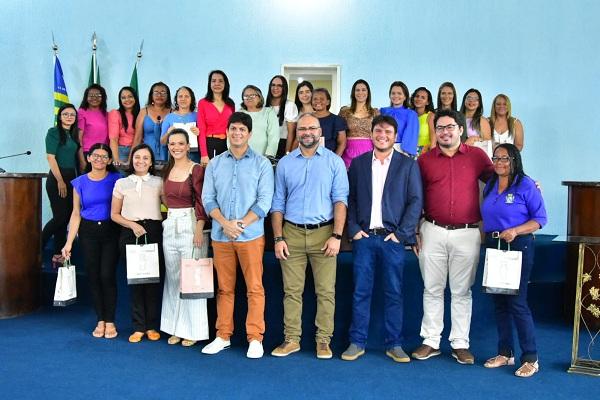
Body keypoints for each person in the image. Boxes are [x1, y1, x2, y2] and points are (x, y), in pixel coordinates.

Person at [412, 109, 493, 365]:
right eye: (439, 128)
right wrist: (414, 230)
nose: (444, 132)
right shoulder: (424, 161)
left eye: (449, 127)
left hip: (467, 233)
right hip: (431, 231)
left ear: (461, 129)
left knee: (461, 291)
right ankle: (431, 341)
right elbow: (414, 197)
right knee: (432, 289)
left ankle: (460, 344)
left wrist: (526, 183)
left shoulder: (477, 157)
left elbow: (501, 180)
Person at [342, 115, 423, 362]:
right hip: (364, 238)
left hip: (392, 240)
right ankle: (356, 342)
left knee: (394, 293)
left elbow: (415, 201)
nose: (383, 135)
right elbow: (350, 199)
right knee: (360, 292)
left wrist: (401, 235)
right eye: (378, 130)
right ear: (371, 134)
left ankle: (394, 344)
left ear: (395, 136)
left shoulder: (407, 165)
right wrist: (353, 228)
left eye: (388, 131)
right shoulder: (358, 163)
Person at [270, 113, 349, 359]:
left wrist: (337, 235)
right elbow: (277, 204)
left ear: (320, 132)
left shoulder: (334, 162)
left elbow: (340, 201)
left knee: (326, 292)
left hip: (325, 234)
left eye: (312, 128)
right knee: (291, 291)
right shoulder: (285, 163)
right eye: (302, 128)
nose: (307, 132)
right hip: (291, 234)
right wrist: (278, 238)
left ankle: (323, 341)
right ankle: (291, 339)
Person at [200, 112, 274, 359]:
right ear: (227, 132)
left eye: (242, 129)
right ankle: (223, 336)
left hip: (250, 236)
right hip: (221, 237)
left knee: (254, 288)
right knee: (224, 289)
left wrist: (239, 225)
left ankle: (255, 338)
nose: (237, 133)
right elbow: (208, 198)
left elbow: (264, 202)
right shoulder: (216, 163)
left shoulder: (262, 164)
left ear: (250, 134)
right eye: (233, 129)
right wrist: (224, 223)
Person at [481, 143, 546, 377]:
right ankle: (505, 353)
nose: (499, 163)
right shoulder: (490, 184)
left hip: (517, 245)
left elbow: (540, 219)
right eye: (496, 158)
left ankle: (530, 357)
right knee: (499, 302)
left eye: (505, 158)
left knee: (517, 302)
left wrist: (516, 231)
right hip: (494, 245)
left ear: (514, 160)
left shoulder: (526, 185)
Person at [61, 143, 121, 339]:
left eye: (104, 156)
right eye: (96, 155)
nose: (99, 159)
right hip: (88, 232)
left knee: (107, 275)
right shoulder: (79, 182)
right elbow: (76, 213)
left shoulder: (117, 179)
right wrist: (69, 243)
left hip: (111, 230)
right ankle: (100, 320)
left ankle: (111, 320)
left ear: (110, 160)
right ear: (88, 158)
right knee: (94, 276)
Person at [160, 128, 209, 347]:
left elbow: (201, 200)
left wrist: (199, 228)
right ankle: (174, 327)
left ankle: (193, 330)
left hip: (191, 224)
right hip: (170, 224)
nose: (176, 147)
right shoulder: (166, 169)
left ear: (188, 146)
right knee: (172, 278)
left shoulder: (196, 169)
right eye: (172, 144)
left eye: (181, 143)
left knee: (192, 279)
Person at [111, 144, 164, 343]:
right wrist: (132, 225)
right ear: (131, 159)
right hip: (130, 232)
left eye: (145, 158)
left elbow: (167, 205)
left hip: (153, 231)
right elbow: (114, 214)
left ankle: (151, 326)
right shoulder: (122, 183)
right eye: (137, 157)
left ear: (151, 162)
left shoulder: (159, 182)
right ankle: (138, 327)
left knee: (151, 281)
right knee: (135, 281)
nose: (140, 161)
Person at [42, 104, 80, 266]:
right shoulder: (54, 132)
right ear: (60, 116)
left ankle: (57, 255)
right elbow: (51, 158)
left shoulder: (73, 134)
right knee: (60, 217)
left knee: (64, 218)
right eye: (65, 114)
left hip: (71, 177)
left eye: (72, 114)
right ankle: (36, 248)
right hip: (58, 178)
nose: (69, 117)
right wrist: (60, 181)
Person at [338, 79, 380, 168]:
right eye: (357, 90)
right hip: (348, 153)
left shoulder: (375, 112)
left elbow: (378, 135)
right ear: (353, 93)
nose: (360, 92)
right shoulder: (344, 112)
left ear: (368, 93)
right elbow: (339, 133)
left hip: (368, 152)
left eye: (363, 90)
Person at [197, 70, 235, 163]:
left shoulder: (230, 104)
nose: (217, 83)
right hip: (210, 144)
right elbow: (201, 130)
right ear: (209, 84)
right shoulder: (203, 103)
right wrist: (204, 154)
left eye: (220, 81)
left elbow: (233, 127)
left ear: (225, 84)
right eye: (213, 81)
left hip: (227, 145)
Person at [132, 82, 172, 161]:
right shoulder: (144, 111)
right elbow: (137, 138)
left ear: (168, 96)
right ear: (151, 95)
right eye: (156, 92)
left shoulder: (173, 112)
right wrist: (131, 158)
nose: (159, 95)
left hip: (168, 154)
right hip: (147, 154)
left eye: (163, 93)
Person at [379, 81, 419, 157]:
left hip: (401, 149)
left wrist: (405, 152)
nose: (396, 96)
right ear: (390, 95)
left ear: (405, 96)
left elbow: (411, 135)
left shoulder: (411, 114)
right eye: (393, 93)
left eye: (399, 93)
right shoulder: (383, 111)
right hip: (383, 147)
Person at [161, 86, 200, 162]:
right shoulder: (169, 117)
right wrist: (168, 133)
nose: (183, 99)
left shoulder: (198, 116)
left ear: (191, 99)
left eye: (186, 96)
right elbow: (162, 142)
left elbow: (204, 139)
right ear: (176, 99)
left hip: (194, 157)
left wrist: (199, 133)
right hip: (175, 157)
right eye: (180, 96)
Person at [239, 85, 279, 157]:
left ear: (260, 97)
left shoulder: (269, 112)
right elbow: (231, 136)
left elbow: (274, 137)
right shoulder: (238, 113)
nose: (249, 98)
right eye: (246, 96)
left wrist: (268, 157)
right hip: (241, 157)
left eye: (252, 95)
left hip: (263, 158)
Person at [266, 75, 298, 157]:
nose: (275, 88)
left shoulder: (290, 105)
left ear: (284, 88)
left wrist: (287, 153)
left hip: (282, 145)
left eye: (279, 86)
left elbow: (291, 133)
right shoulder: (265, 106)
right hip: (265, 145)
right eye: (273, 85)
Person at [78, 84, 108, 170]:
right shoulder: (82, 112)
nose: (94, 98)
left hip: (104, 154)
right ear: (86, 97)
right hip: (88, 154)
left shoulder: (105, 114)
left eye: (98, 95)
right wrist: (81, 160)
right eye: (91, 95)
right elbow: (78, 138)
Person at [108, 86, 140, 166]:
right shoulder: (115, 113)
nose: (127, 100)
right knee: (122, 177)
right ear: (120, 100)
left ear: (135, 98)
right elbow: (113, 139)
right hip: (122, 151)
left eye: (130, 96)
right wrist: (116, 159)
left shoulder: (141, 114)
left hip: (139, 151)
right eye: (123, 98)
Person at [311, 88, 347, 156]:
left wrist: (334, 160)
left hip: (329, 159)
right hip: (308, 159)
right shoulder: (306, 119)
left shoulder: (338, 120)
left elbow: (342, 143)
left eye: (322, 99)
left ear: (328, 102)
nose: (318, 101)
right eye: (315, 99)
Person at [428, 82, 458, 148]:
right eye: (443, 93)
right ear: (439, 95)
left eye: (449, 93)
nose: (446, 96)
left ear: (454, 96)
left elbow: (462, 139)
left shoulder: (460, 116)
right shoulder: (432, 115)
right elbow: (433, 139)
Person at [410, 87, 434, 157]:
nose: (419, 99)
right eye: (417, 96)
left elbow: (433, 138)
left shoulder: (430, 116)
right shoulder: (409, 115)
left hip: (425, 152)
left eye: (423, 97)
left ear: (427, 102)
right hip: (409, 152)